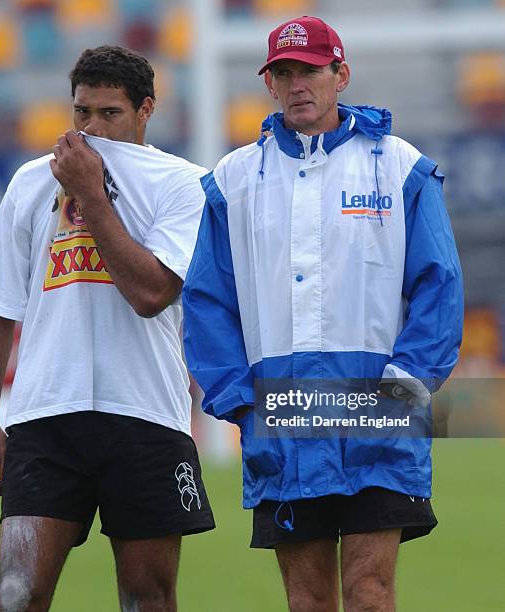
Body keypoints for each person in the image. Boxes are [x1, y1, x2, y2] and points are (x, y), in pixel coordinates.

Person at [182, 16, 463, 612]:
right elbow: (206, 303)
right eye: (283, 73)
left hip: (378, 410)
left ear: (341, 74)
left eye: (309, 69)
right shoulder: (231, 181)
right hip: (282, 419)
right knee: (308, 602)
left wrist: (405, 388)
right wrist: (242, 403)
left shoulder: (401, 167)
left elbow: (440, 286)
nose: (297, 83)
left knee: (370, 594)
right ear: (271, 85)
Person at [0, 45, 214, 612]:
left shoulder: (184, 184)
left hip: (145, 411)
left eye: (110, 113)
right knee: (15, 595)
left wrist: (90, 194)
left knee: (147, 596)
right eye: (82, 112)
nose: (92, 128)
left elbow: (151, 293)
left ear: (146, 109)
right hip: (45, 415)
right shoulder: (31, 182)